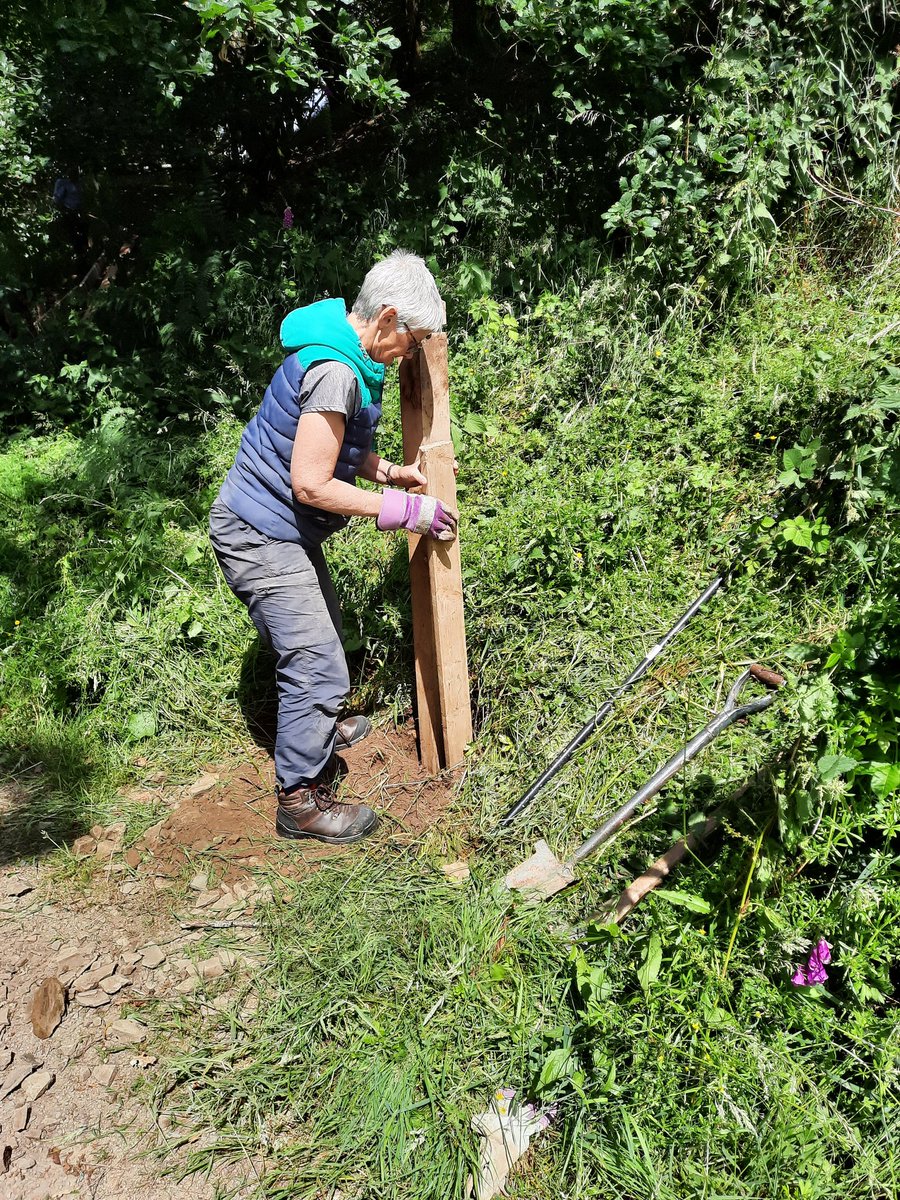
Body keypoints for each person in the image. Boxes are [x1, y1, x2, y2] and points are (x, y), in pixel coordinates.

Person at [209, 251, 457, 845]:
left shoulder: (345, 359)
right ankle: (301, 800)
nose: (410, 353)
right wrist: (404, 512)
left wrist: (391, 474)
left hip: (276, 526)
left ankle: (310, 727)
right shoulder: (336, 373)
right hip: (260, 531)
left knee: (322, 635)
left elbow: (338, 449)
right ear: (387, 318)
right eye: (412, 340)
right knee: (319, 663)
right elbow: (312, 482)